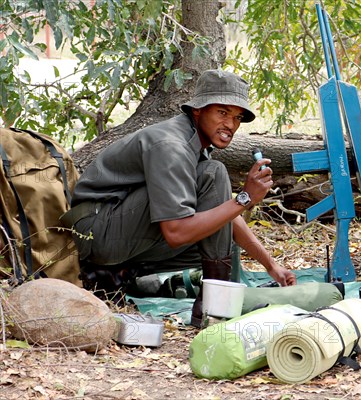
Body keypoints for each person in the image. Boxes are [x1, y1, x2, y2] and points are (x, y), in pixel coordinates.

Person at [61, 69, 297, 327]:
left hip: (119, 232)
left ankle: (120, 277)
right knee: (214, 176)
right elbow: (175, 232)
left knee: (220, 228)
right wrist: (244, 199)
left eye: (237, 117)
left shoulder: (194, 143)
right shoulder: (171, 146)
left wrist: (271, 266)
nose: (230, 124)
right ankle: (212, 309)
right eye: (222, 112)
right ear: (197, 110)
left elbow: (225, 219)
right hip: (98, 232)